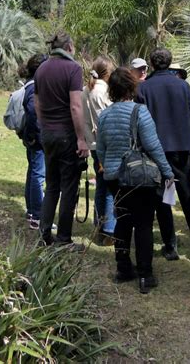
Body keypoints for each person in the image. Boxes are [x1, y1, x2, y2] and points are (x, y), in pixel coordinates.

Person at [96, 67, 174, 294]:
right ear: (132, 87)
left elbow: (101, 148)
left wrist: (108, 165)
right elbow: (153, 146)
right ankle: (145, 275)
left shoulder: (105, 115)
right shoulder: (140, 112)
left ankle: (123, 268)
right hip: (139, 177)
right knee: (143, 224)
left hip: (114, 177)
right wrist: (167, 171)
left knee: (123, 221)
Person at [137, 47, 190, 259]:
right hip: (181, 147)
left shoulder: (144, 88)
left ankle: (170, 244)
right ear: (170, 63)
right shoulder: (182, 86)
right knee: (187, 191)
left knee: (161, 196)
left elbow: (141, 120)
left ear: (151, 63)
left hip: (155, 148)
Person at [34, 32, 89, 249]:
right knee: (68, 187)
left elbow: (37, 104)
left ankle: (44, 234)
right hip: (66, 134)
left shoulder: (42, 68)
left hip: (47, 133)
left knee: (52, 186)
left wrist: (45, 126)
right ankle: (63, 239)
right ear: (69, 46)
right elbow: (76, 106)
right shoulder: (73, 68)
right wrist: (81, 139)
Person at [82, 56, 116, 245]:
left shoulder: (86, 90)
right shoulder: (103, 92)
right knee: (110, 188)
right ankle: (109, 229)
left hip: (93, 144)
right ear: (107, 73)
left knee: (102, 186)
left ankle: (98, 226)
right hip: (106, 145)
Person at [22, 53, 47, 230]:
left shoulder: (29, 86)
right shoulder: (34, 88)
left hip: (31, 138)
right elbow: (33, 113)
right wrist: (37, 136)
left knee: (33, 173)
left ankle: (32, 211)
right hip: (37, 139)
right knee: (38, 175)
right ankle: (37, 216)